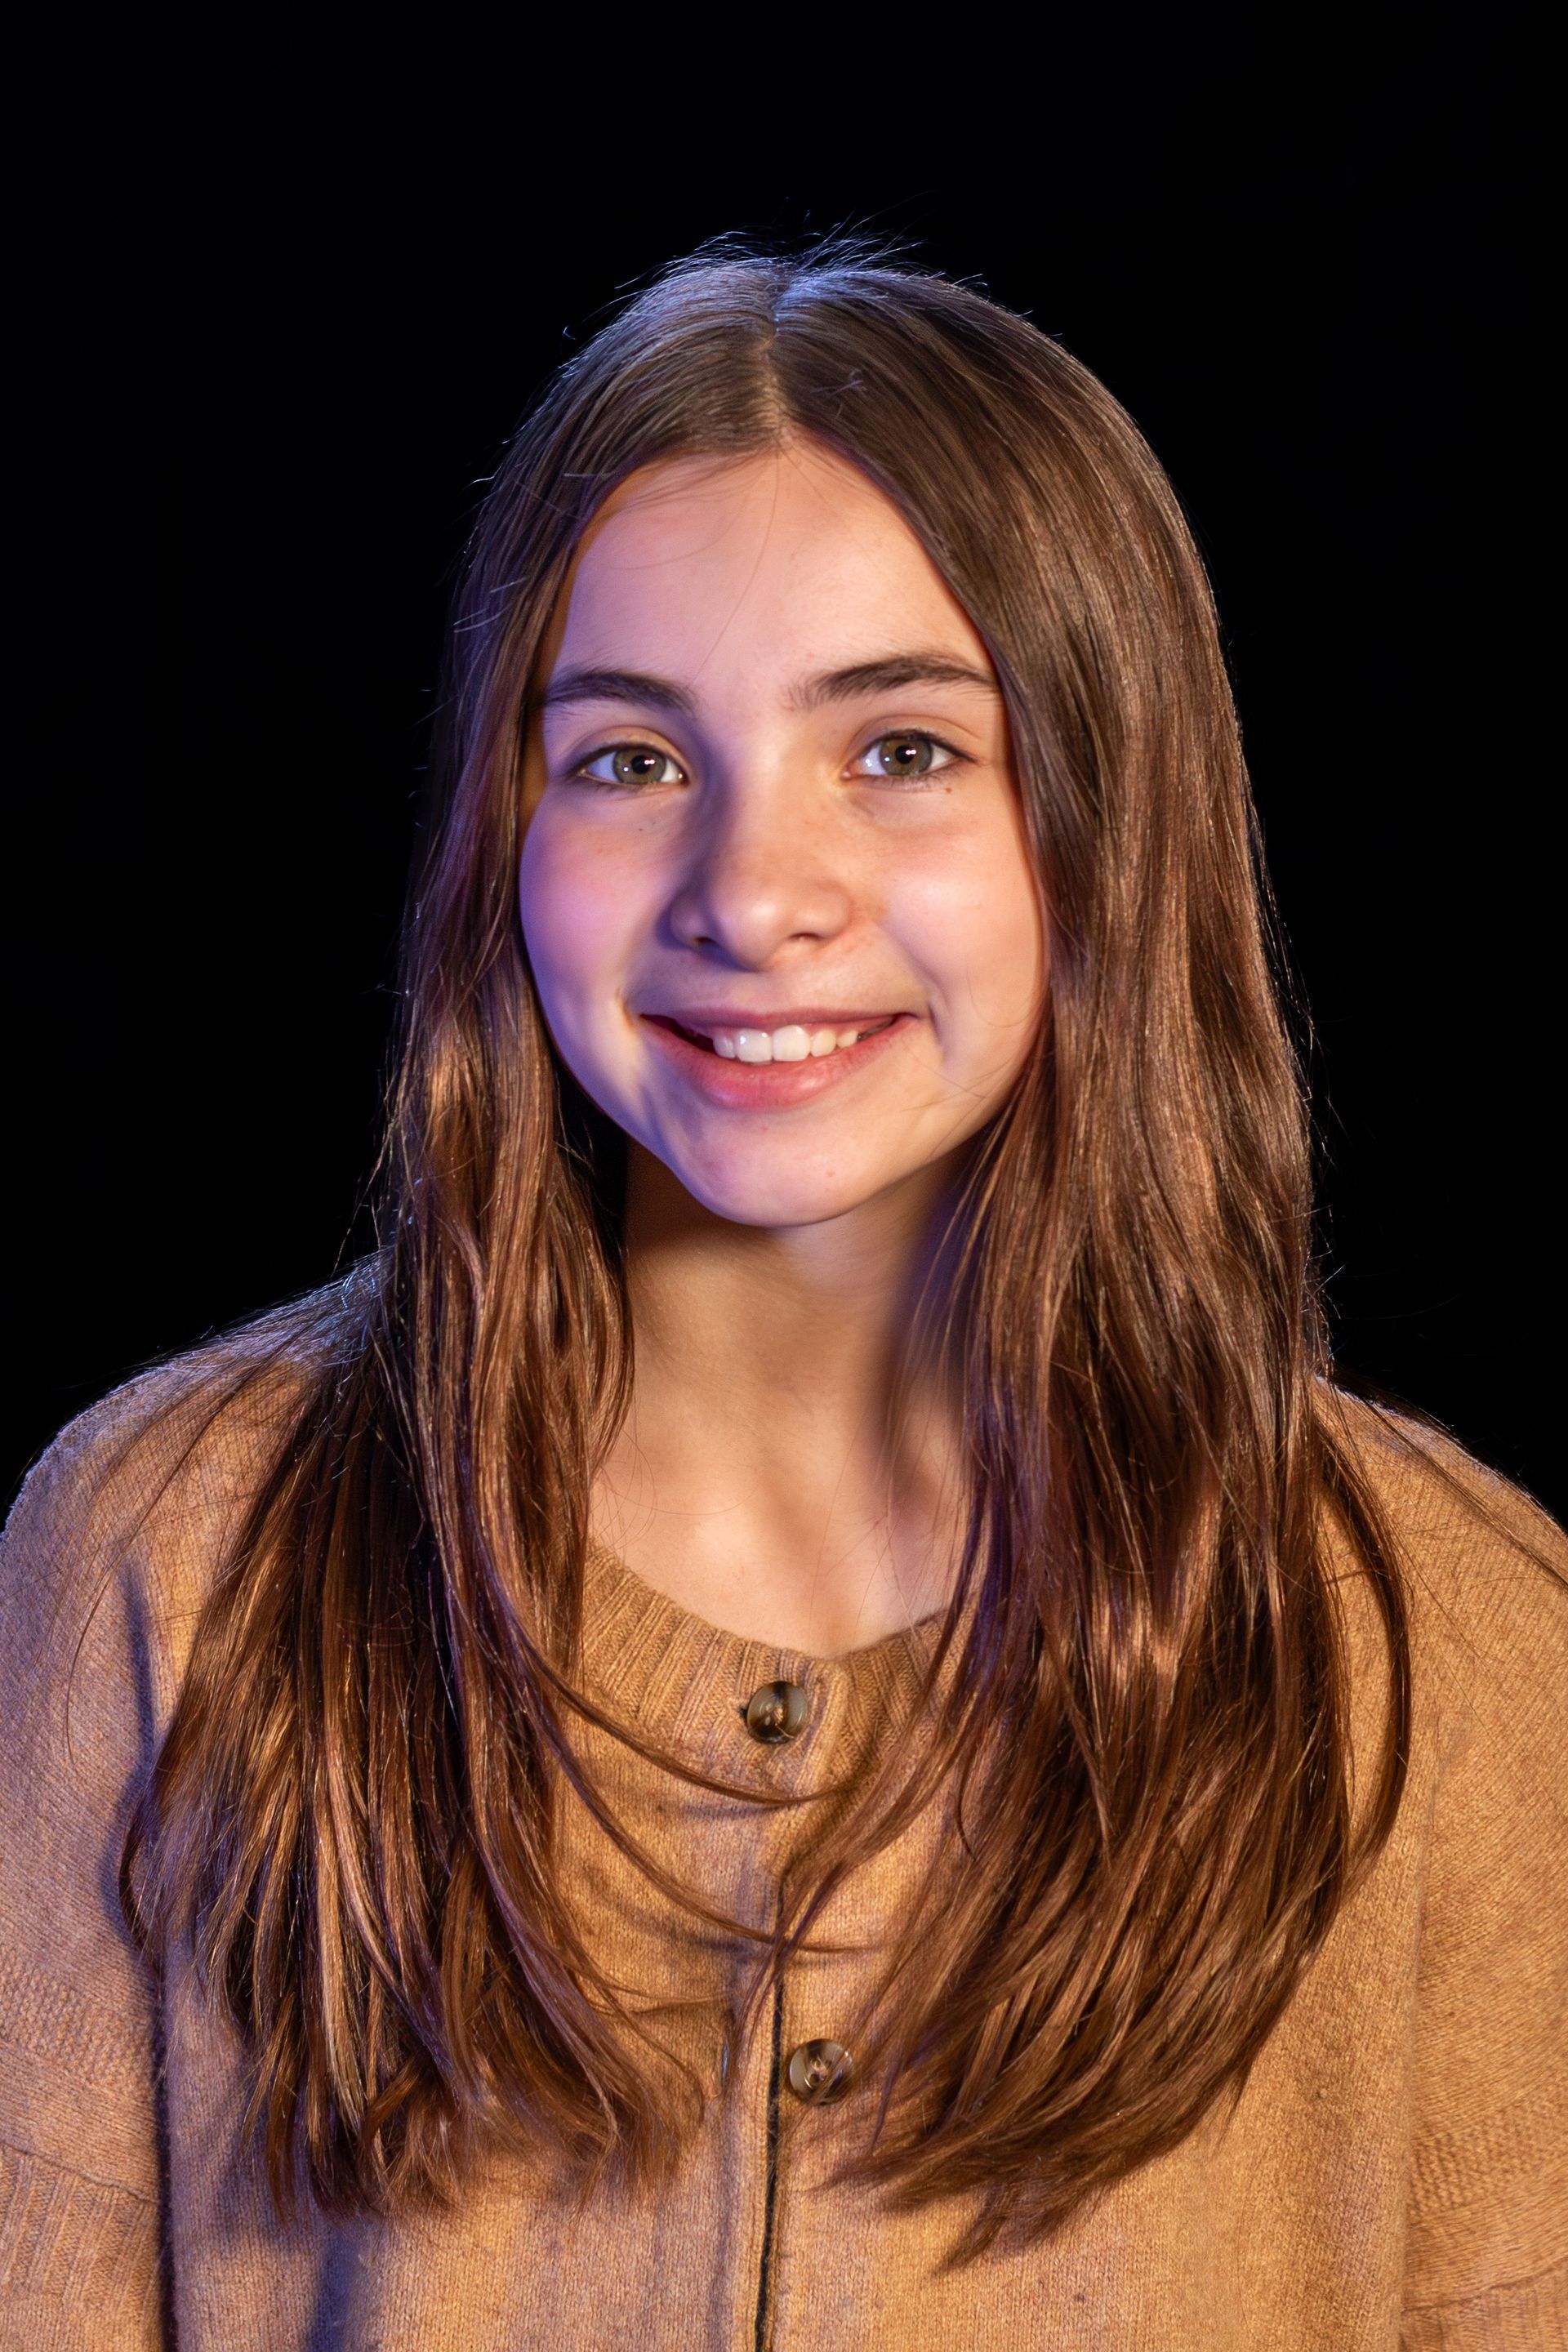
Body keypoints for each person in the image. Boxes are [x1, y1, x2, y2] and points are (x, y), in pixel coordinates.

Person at [1, 244, 1562, 2352]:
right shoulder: (174, 1555)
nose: (752, 890)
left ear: (1114, 812)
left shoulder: (1452, 1647)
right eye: (629, 761)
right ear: (501, 825)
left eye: (904, 747)